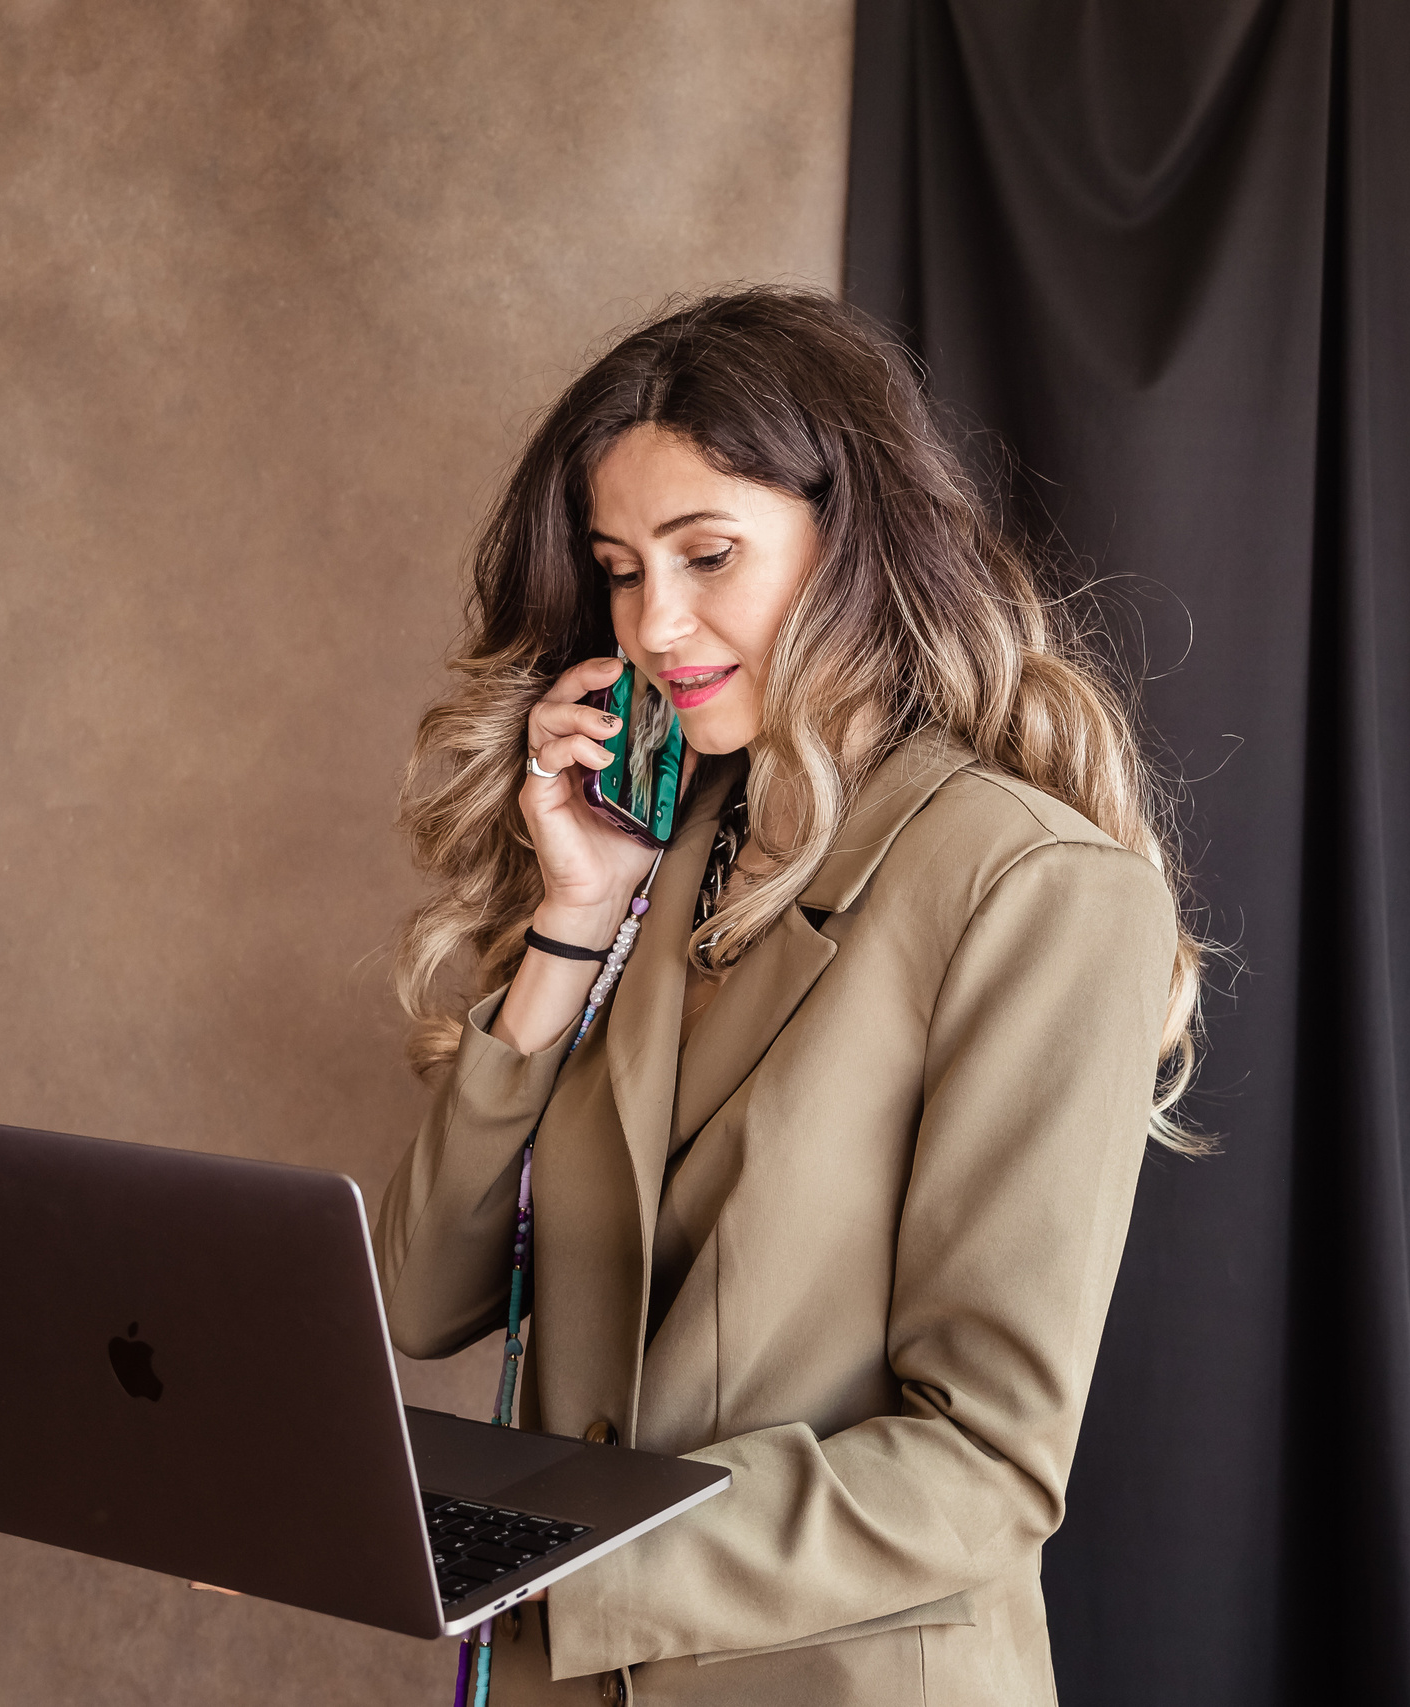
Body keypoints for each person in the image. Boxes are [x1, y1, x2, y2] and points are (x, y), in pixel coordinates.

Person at [376, 288, 1202, 1706]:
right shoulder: (641, 847)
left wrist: (546, 1559)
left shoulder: (1031, 888)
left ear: (857, 545)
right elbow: (421, 1295)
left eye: (710, 556)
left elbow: (984, 1467)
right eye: (622, 569)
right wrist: (569, 924)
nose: (656, 624)